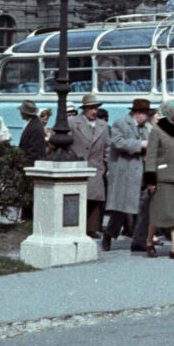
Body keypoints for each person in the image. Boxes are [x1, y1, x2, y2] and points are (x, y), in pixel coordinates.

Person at [143, 100, 174, 260]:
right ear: (169, 111)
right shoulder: (157, 131)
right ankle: (149, 241)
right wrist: (150, 179)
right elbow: (151, 157)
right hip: (162, 179)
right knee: (158, 214)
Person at [103, 99, 152, 252]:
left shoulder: (145, 128)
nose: (148, 118)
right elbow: (117, 143)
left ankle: (139, 240)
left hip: (142, 174)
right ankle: (108, 235)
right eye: (146, 115)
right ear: (138, 114)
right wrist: (140, 145)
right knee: (120, 209)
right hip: (126, 174)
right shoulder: (120, 124)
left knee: (143, 208)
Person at [69, 94, 110, 238]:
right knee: (79, 198)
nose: (94, 111)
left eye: (96, 108)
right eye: (91, 108)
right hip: (78, 166)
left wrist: (108, 166)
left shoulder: (103, 125)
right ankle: (77, 227)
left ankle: (92, 229)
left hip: (96, 167)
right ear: (84, 109)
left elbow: (107, 147)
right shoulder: (73, 122)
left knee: (94, 200)